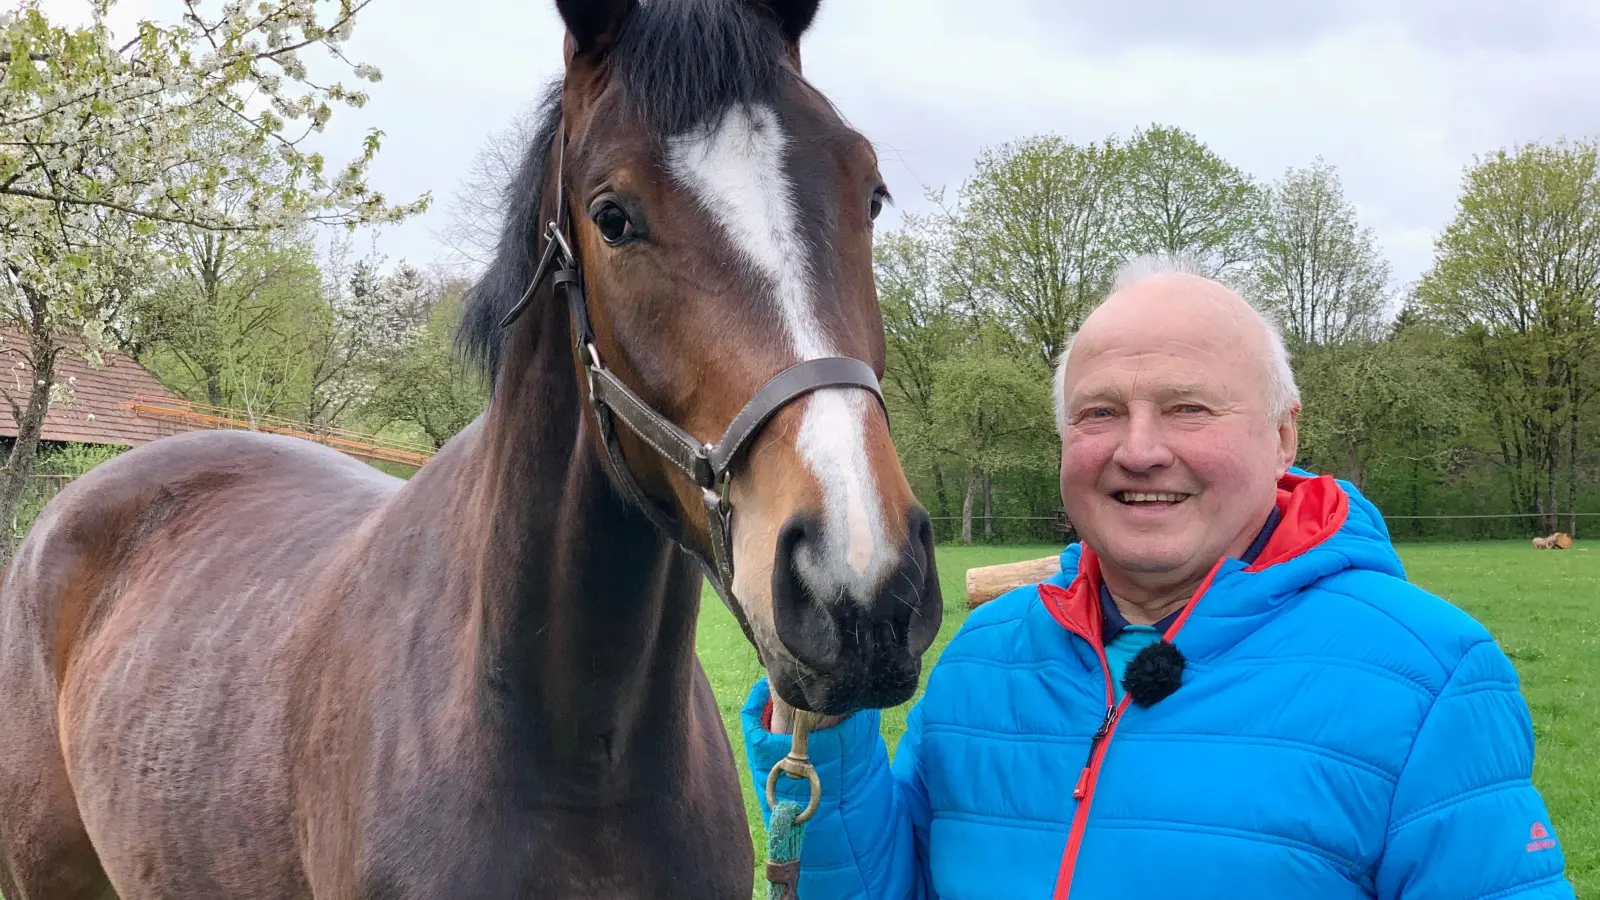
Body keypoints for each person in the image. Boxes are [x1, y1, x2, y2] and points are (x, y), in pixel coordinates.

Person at [740, 255, 1574, 899]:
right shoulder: (989, 655)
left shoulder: (1428, 676)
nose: (1138, 449)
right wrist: (827, 723)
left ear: (1284, 436)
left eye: (1189, 408)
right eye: (1099, 412)